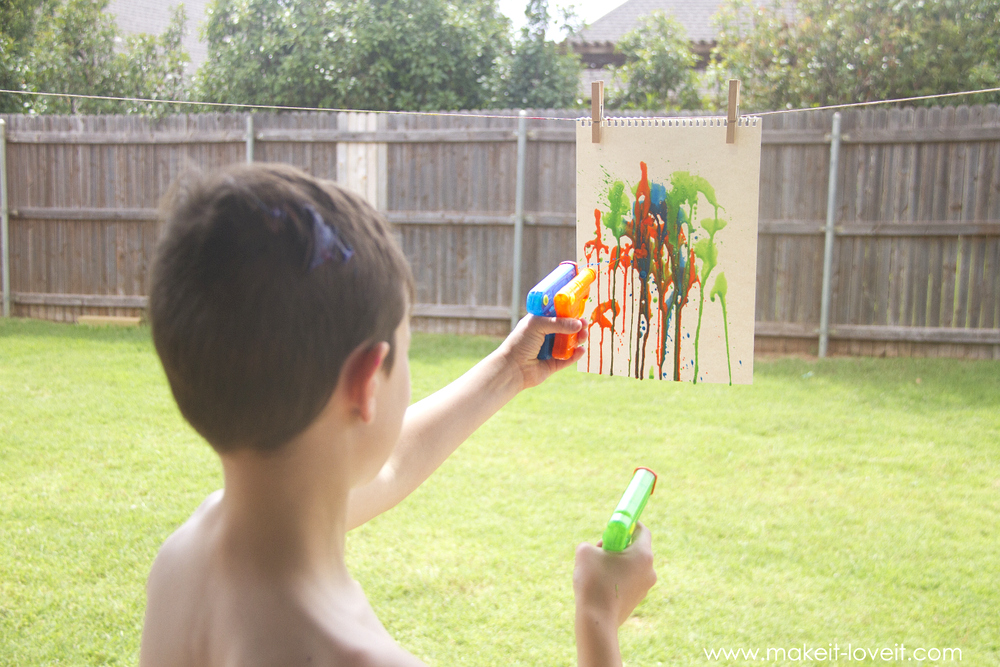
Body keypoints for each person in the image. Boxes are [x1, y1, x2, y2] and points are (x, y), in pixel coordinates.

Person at [140, 162, 656, 667]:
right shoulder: (352, 656)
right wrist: (598, 618)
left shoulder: (186, 560)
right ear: (368, 381)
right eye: (406, 348)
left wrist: (509, 370)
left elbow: (392, 468)